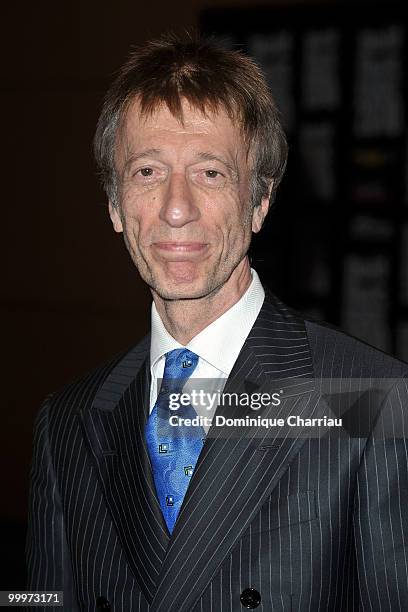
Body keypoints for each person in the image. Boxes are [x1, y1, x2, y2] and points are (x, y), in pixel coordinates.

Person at [26, 33, 408, 611]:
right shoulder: (67, 423)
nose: (176, 209)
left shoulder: (370, 400)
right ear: (113, 205)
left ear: (259, 202)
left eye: (210, 173)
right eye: (148, 172)